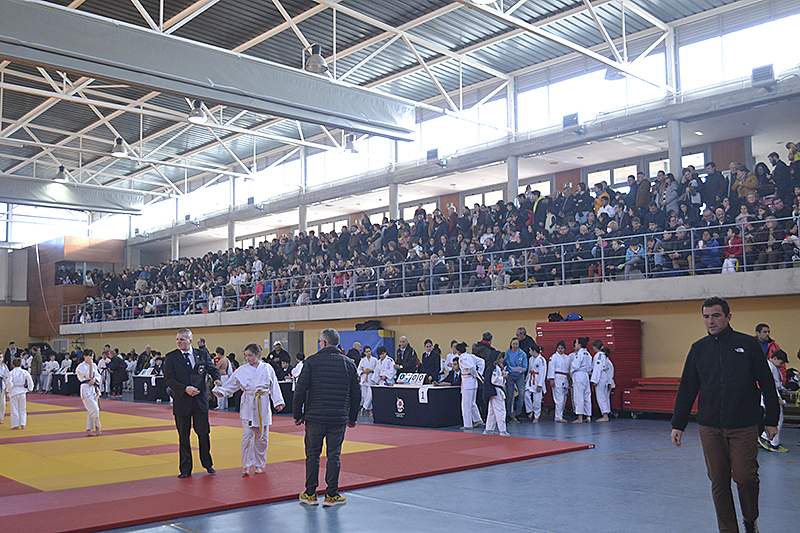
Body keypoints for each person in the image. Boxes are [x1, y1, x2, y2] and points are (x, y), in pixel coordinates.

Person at [671, 297, 779, 533]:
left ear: (728, 317)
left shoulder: (747, 345)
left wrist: (771, 420)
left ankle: (750, 520)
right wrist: (678, 424)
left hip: (744, 425)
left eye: (716, 315)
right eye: (706, 316)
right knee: (718, 481)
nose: (710, 321)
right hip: (710, 427)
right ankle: (728, 529)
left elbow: (767, 383)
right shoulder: (698, 349)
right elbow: (687, 387)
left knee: (746, 477)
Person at [295, 328, 360, 507]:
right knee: (334, 455)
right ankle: (332, 495)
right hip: (338, 417)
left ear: (323, 343)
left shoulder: (311, 361)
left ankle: (310, 494)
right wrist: (352, 417)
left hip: (314, 416)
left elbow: (300, 390)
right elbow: (356, 394)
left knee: (312, 455)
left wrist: (298, 414)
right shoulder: (348, 364)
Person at [213, 343, 285, 476]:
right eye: (246, 356)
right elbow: (232, 384)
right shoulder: (241, 370)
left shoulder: (267, 368)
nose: (247, 358)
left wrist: (278, 401)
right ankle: (246, 465)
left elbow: (274, 386)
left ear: (258, 354)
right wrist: (221, 390)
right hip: (248, 404)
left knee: (262, 438)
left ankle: (258, 464)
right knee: (247, 437)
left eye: (250, 355)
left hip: (262, 403)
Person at [163, 328, 222, 478]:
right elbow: (169, 379)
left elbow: (212, 369)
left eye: (182, 339)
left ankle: (207, 463)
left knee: (204, 433)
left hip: (200, 401)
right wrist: (185, 389)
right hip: (182, 400)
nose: (179, 342)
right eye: (177, 339)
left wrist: (217, 379)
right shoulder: (171, 357)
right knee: (184, 436)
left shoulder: (202, 354)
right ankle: (185, 468)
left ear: (190, 341)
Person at [758, 349, 788, 453]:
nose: (781, 365)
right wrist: (777, 397)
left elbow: (776, 383)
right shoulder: (769, 367)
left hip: (775, 393)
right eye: (781, 362)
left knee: (778, 418)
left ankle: (766, 438)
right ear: (775, 358)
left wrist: (782, 388)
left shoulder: (773, 367)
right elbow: (771, 385)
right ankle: (773, 442)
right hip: (772, 395)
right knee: (778, 419)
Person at [456, 342, 484, 430]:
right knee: (472, 403)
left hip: (468, 382)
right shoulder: (471, 356)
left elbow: (471, 367)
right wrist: (480, 372)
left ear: (458, 351)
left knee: (466, 404)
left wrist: (475, 374)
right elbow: (482, 362)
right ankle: (478, 419)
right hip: (473, 382)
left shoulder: (462, 358)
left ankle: (468, 424)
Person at [75, 349, 102, 436]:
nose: (91, 358)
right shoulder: (80, 367)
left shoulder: (94, 365)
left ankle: (88, 430)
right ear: (84, 356)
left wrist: (95, 379)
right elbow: (89, 376)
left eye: (92, 356)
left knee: (91, 411)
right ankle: (97, 426)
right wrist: (90, 365)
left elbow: (98, 375)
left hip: (93, 389)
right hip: (86, 388)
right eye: (89, 356)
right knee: (94, 409)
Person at [483, 351, 509, 436]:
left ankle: (489, 429)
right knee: (500, 410)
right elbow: (494, 380)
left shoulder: (493, 367)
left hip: (493, 391)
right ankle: (503, 430)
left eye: (502, 358)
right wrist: (503, 377)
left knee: (492, 411)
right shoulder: (494, 367)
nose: (501, 359)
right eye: (500, 358)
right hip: (496, 391)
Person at [504, 338, 527, 423]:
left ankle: (518, 414)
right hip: (510, 375)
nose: (515, 346)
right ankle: (508, 414)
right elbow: (504, 363)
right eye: (513, 344)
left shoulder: (522, 354)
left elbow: (525, 366)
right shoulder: (508, 353)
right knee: (509, 396)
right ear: (511, 344)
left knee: (521, 395)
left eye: (516, 344)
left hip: (520, 376)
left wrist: (521, 371)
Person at [547, 340, 571, 423]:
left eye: (562, 348)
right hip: (557, 378)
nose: (560, 350)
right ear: (556, 349)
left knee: (564, 398)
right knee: (559, 399)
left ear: (564, 349)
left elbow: (569, 369)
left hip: (565, 378)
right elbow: (551, 369)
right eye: (559, 348)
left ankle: (560, 415)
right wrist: (551, 379)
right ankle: (558, 416)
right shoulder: (553, 357)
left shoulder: (567, 358)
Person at [590, 341, 614, 423]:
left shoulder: (598, 356)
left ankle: (605, 415)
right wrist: (610, 382)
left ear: (595, 347)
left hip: (600, 378)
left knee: (601, 397)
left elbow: (597, 368)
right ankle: (607, 413)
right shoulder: (604, 356)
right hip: (605, 377)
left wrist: (595, 380)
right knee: (605, 397)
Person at [569, 337, 592, 423]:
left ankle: (580, 417)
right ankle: (588, 416)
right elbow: (590, 367)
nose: (575, 345)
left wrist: (571, 372)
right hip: (586, 375)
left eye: (576, 343)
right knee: (587, 396)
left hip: (579, 375)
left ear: (580, 345)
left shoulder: (579, 353)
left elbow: (575, 365)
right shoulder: (588, 354)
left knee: (579, 396)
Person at [8, 357, 33, 430]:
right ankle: (23, 424)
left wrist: (8, 390)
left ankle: (15, 425)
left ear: (13, 365)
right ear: (21, 364)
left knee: (14, 409)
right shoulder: (24, 372)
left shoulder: (11, 373)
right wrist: (30, 388)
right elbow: (30, 380)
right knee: (22, 408)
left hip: (14, 391)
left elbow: (9, 382)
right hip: (22, 391)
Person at [524, 343, 547, 423]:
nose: (529, 352)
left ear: (534, 351)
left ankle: (536, 416)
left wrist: (540, 385)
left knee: (537, 400)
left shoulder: (541, 360)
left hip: (537, 379)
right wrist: (526, 380)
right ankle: (530, 410)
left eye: (530, 350)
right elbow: (529, 371)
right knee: (526, 395)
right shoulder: (531, 359)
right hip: (530, 379)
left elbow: (543, 373)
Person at [357, 345, 378, 416]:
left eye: (369, 351)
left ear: (371, 351)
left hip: (372, 380)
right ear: (364, 353)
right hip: (364, 380)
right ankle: (369, 410)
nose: (368, 353)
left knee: (370, 396)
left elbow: (378, 370)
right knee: (365, 396)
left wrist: (371, 370)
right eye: (366, 352)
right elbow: (358, 370)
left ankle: (364, 408)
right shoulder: (362, 360)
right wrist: (363, 372)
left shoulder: (375, 360)